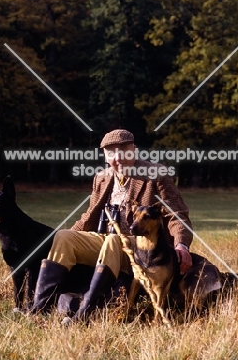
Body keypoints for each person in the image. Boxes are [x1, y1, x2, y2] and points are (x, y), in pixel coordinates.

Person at [31, 129, 193, 323]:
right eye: (111, 153)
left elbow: (177, 215)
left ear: (134, 150)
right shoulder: (101, 177)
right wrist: (60, 241)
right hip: (107, 241)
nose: (118, 158)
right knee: (64, 237)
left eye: (124, 151)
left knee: (114, 240)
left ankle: (84, 314)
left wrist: (181, 244)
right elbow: (88, 217)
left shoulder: (156, 174)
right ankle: (38, 308)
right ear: (105, 157)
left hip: (142, 247)